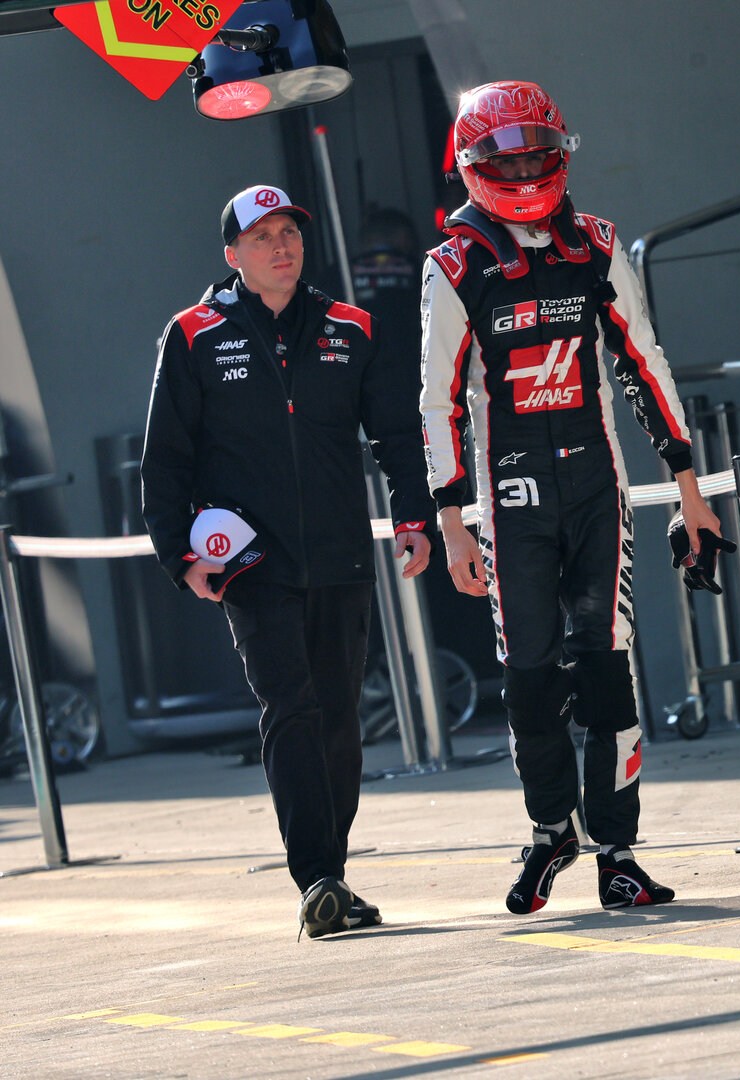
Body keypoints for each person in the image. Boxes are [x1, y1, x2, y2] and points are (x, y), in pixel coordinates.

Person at [420, 80, 722, 914]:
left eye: (536, 156)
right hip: (510, 496)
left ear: (560, 154)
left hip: (597, 486)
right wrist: (451, 522)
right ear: (471, 164)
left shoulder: (596, 243)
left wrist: (690, 490)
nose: (524, 172)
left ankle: (617, 852)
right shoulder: (453, 264)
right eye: (506, 160)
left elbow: (644, 361)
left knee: (606, 667)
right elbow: (437, 402)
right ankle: (551, 829)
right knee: (528, 675)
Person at [142, 184, 434, 939]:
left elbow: (398, 435)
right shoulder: (193, 333)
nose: (281, 246)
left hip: (342, 556)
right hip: (250, 562)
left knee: (339, 719)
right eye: (262, 236)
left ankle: (331, 875)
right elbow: (165, 456)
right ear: (233, 253)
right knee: (291, 708)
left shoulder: (353, 327)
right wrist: (179, 555)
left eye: (290, 233)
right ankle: (318, 877)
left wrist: (414, 517)